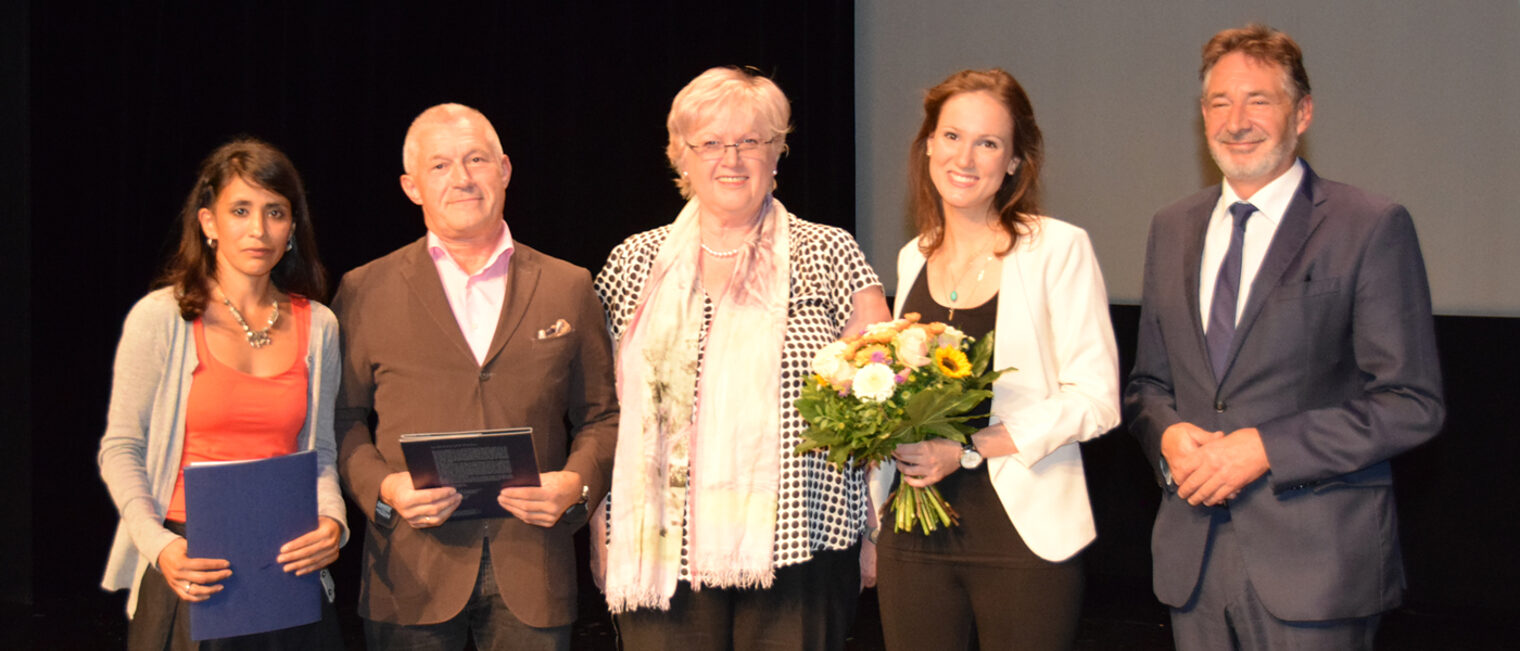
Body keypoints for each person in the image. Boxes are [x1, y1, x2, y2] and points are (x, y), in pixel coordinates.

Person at [1124, 24, 1445, 650]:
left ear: (1302, 113)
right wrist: (1164, 432)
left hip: (1318, 569)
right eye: (1220, 102)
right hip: (1193, 563)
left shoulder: (1369, 225)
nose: (1236, 120)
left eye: (1258, 101)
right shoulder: (1171, 228)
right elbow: (1147, 385)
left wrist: (1265, 447)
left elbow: (1412, 403)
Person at [594, 66, 890, 651]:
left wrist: (876, 532)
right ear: (681, 157)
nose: (731, 158)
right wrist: (602, 524)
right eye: (709, 143)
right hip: (662, 548)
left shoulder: (831, 252)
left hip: (803, 541)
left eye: (750, 141)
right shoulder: (633, 263)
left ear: (777, 152)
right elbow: (602, 409)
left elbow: (882, 400)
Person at [332, 103, 618, 650]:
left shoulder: (568, 285)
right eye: (439, 166)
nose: (462, 178)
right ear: (411, 186)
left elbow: (602, 417)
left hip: (533, 568)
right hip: (409, 573)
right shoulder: (365, 289)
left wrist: (576, 485)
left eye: (476, 159)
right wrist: (384, 488)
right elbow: (340, 420)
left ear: (505, 170)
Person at [867, 69, 1121, 650]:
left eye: (988, 143)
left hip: (1021, 535)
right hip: (912, 532)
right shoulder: (912, 257)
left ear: (1013, 162)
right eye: (952, 136)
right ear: (929, 143)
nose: (966, 156)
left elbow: (1097, 400)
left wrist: (965, 450)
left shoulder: (1057, 248)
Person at [98, 138, 347, 650]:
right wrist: (160, 546)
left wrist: (332, 522)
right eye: (240, 210)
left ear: (293, 228)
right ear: (209, 223)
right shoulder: (162, 317)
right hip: (190, 567)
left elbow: (319, 452)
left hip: (287, 566)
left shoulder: (319, 325)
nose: (258, 230)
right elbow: (121, 447)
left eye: (275, 212)